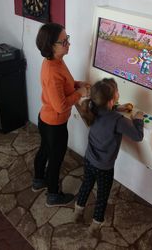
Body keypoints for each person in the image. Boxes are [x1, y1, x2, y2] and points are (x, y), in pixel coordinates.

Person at [72, 78, 144, 238]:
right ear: (111, 100)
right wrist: (139, 119)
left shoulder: (92, 107)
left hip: (89, 160)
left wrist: (118, 108)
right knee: (102, 196)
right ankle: (95, 226)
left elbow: (106, 111)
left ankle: (78, 212)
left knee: (86, 185)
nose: (119, 93)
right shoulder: (118, 120)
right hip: (104, 168)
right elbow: (138, 136)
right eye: (117, 92)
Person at [32, 22, 90, 207]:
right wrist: (80, 93)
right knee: (55, 159)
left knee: (45, 151)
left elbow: (65, 85)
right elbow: (60, 105)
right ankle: (53, 195)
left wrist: (77, 84)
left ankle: (38, 180)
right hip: (54, 124)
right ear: (51, 46)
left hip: (45, 119)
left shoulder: (56, 61)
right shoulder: (52, 71)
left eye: (68, 39)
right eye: (64, 41)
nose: (68, 44)